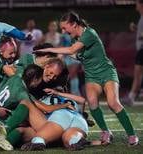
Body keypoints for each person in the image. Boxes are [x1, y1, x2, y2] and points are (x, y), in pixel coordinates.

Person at [36, 11, 139, 146]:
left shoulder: (89, 33)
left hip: (106, 72)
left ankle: (132, 134)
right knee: (91, 102)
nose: (63, 31)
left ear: (73, 24)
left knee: (113, 102)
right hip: (91, 75)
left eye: (64, 27)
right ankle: (106, 132)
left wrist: (49, 49)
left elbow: (72, 51)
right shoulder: (74, 39)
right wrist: (48, 60)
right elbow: (71, 54)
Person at [123, 0, 143, 106]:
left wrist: (141, 35)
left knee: (137, 74)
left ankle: (131, 97)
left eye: (137, 3)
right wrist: (136, 29)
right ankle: (132, 96)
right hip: (141, 49)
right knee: (138, 74)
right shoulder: (141, 18)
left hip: (142, 49)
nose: (136, 5)